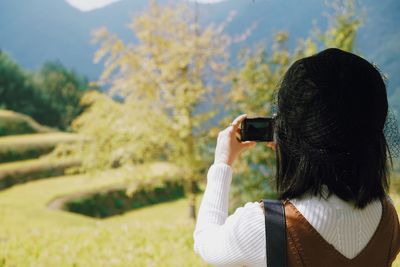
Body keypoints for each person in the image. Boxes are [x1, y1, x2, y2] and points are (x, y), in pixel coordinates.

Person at [193, 48, 400, 267]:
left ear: (287, 134)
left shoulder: (264, 226)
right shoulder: (387, 216)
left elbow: (205, 241)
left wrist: (221, 164)